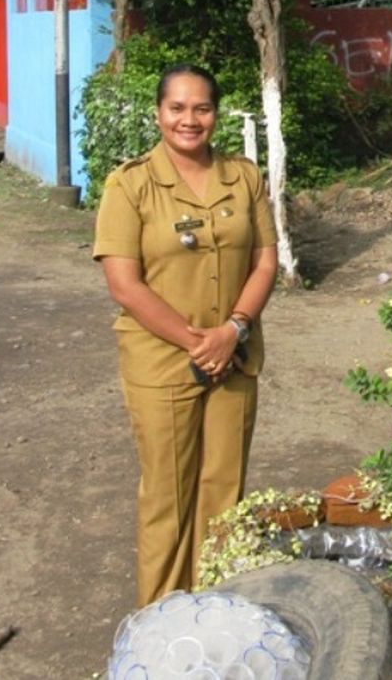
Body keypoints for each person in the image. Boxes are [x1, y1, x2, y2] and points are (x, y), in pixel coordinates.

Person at [93, 63, 279, 605]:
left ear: (216, 114)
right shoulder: (130, 185)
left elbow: (265, 262)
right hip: (162, 363)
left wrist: (233, 330)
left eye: (202, 108)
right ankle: (159, 630)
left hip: (235, 359)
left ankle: (218, 619)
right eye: (177, 107)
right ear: (159, 113)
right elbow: (124, 285)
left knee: (225, 494)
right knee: (168, 499)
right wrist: (201, 340)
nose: (189, 120)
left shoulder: (243, 177)